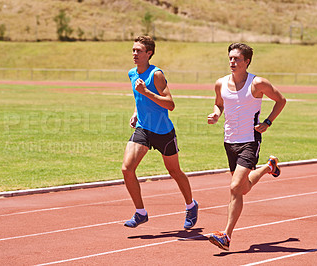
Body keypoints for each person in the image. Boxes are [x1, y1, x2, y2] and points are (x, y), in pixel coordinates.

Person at [207, 43, 286, 250]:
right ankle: (269, 167)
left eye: (237, 59)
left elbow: (281, 100)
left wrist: (268, 122)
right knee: (242, 188)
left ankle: (226, 235)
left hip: (250, 140)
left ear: (247, 61)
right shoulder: (221, 83)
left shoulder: (257, 83)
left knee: (234, 187)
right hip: (229, 141)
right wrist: (216, 114)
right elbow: (219, 104)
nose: (232, 62)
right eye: (230, 58)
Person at [122, 35, 198, 229]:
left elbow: (170, 104)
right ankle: (140, 213)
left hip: (163, 132)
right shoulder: (132, 73)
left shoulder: (156, 74)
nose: (134, 54)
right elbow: (139, 99)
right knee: (127, 169)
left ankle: (191, 205)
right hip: (143, 129)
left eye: (139, 51)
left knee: (174, 171)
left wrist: (147, 91)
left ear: (149, 53)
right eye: (133, 50)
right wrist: (136, 112)